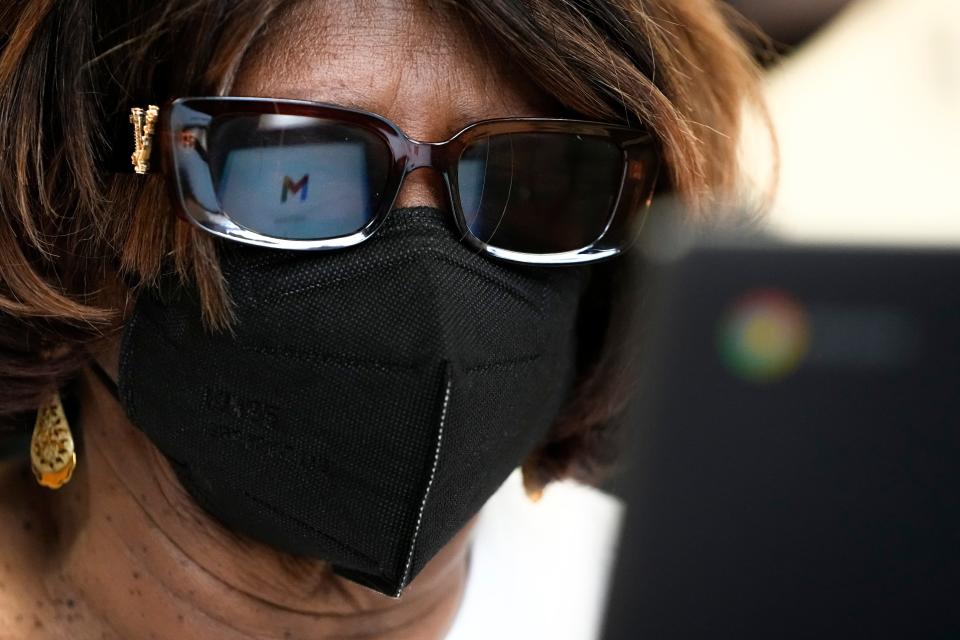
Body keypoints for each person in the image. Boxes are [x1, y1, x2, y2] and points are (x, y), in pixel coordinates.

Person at [0, 1, 763, 638]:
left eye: (527, 179)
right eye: (296, 177)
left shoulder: (697, 607)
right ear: (68, 200)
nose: (430, 291)